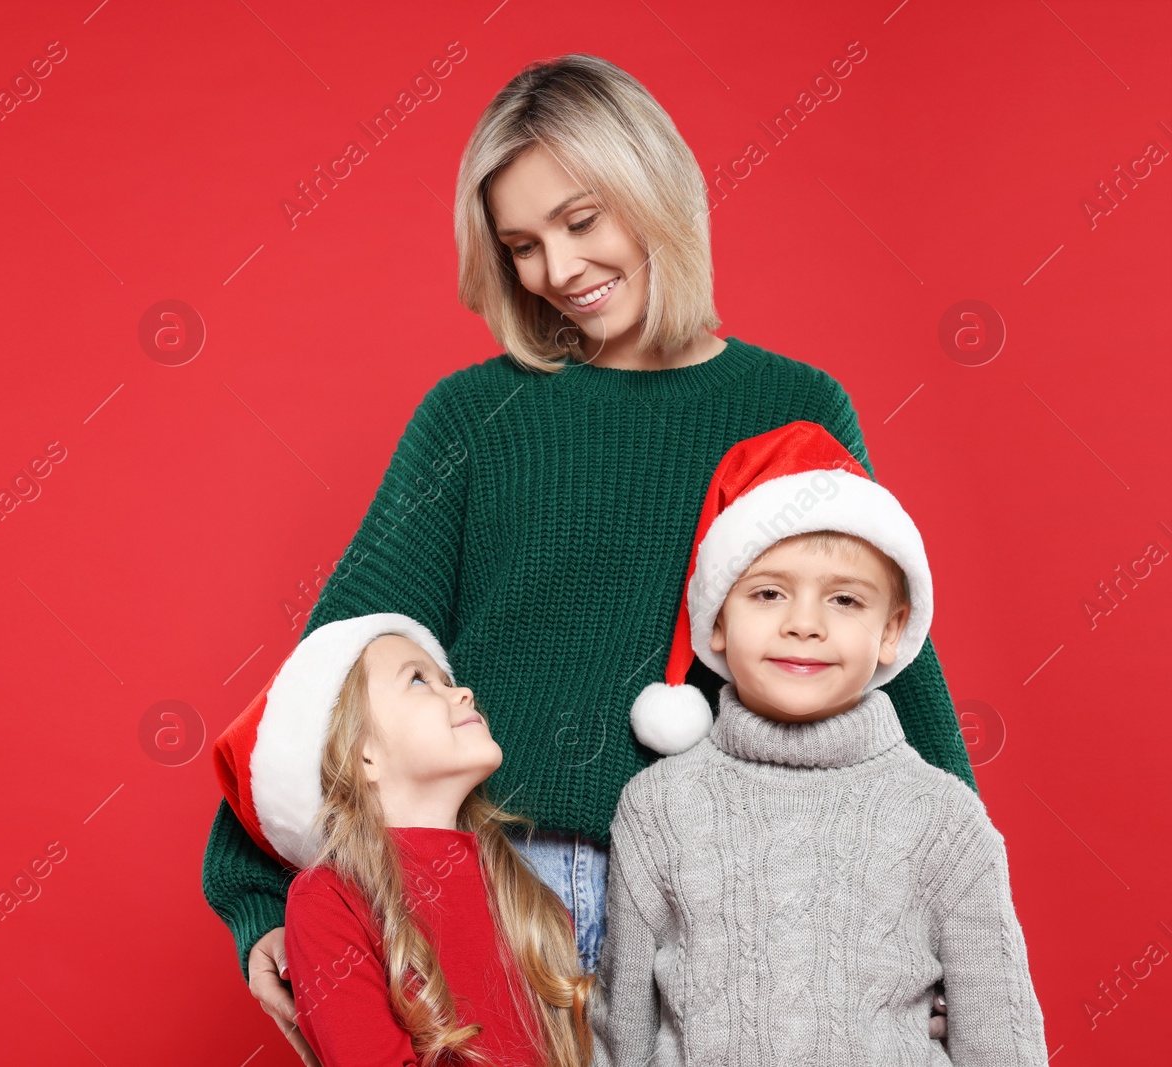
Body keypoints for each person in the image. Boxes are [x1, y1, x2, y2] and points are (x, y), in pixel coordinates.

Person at [202, 53, 963, 1059]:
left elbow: (881, 666)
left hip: (725, 894)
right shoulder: (476, 416)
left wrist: (947, 916)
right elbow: (338, 662)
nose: (556, 270)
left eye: (580, 220)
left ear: (654, 187)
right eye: (520, 244)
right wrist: (258, 893)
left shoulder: (794, 406)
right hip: (507, 892)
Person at [594, 421, 1046, 1065]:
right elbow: (623, 1032)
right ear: (718, 619)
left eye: (844, 600)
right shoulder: (659, 806)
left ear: (891, 633)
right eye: (769, 593)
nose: (803, 624)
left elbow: (1002, 1040)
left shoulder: (943, 820)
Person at [212, 612, 596, 1066]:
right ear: (363, 756)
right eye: (418, 680)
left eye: (446, 679)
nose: (464, 692)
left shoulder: (530, 899)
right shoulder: (328, 901)